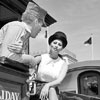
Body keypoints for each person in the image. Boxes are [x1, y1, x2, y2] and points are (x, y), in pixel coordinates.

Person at [22, 31, 69, 100]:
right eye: (55, 43)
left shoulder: (63, 64)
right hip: (37, 88)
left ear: (62, 48)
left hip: (52, 89)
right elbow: (31, 63)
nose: (56, 46)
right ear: (50, 44)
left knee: (52, 89)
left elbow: (59, 81)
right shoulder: (42, 57)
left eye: (59, 45)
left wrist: (47, 85)